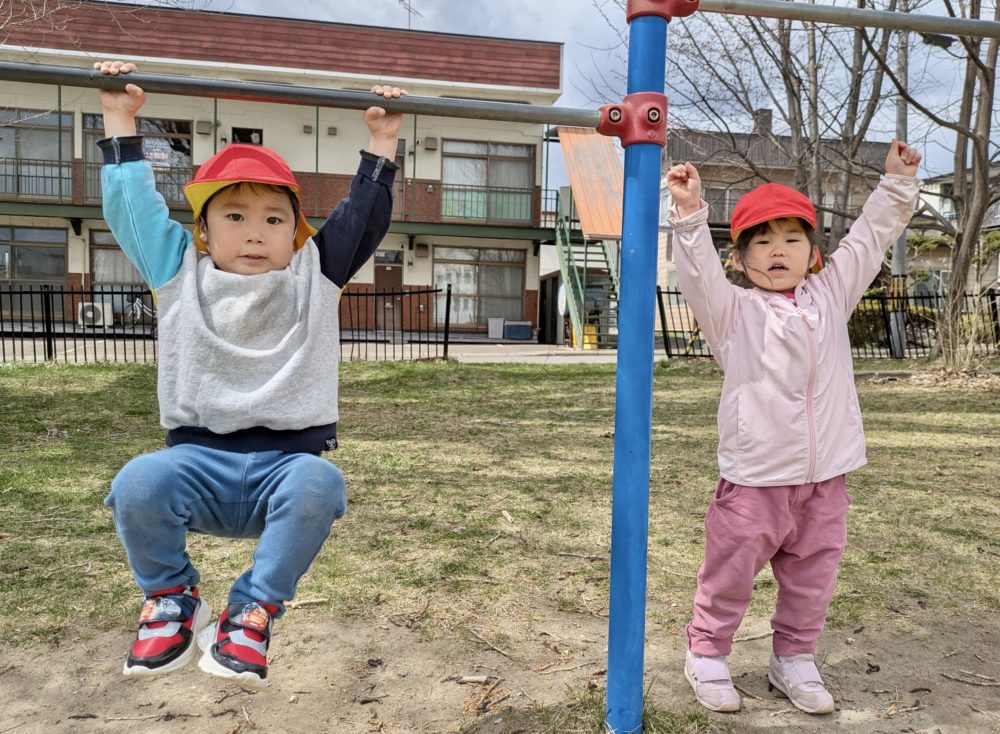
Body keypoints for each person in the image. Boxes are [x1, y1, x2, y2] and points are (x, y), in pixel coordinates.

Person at [95, 60, 405, 689]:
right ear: (203, 233)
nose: (255, 233)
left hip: (286, 467)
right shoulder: (178, 275)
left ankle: (252, 612)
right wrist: (119, 121)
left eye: (273, 219)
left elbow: (361, 218)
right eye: (234, 217)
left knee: (321, 484)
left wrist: (382, 142)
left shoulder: (314, 276)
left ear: (297, 235)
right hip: (196, 464)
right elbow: (134, 213)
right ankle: (173, 598)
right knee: (138, 483)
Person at [666, 140, 921, 714]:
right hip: (756, 479)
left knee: (813, 579)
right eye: (762, 241)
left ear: (814, 255)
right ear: (740, 259)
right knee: (730, 573)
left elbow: (870, 238)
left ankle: (794, 657)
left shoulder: (832, 294)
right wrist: (688, 213)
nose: (777, 250)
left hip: (825, 477)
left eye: (791, 239)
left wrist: (897, 183)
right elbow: (697, 273)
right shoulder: (732, 311)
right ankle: (706, 652)